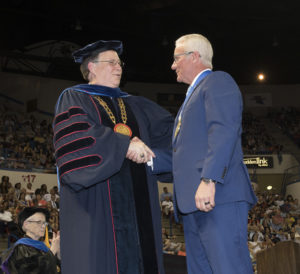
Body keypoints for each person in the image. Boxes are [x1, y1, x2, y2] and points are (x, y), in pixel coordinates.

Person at [53, 40, 173, 274]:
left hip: (141, 206)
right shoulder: (74, 98)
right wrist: (123, 145)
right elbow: (77, 141)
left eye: (120, 63)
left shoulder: (137, 104)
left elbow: (173, 135)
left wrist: (150, 155)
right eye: (111, 62)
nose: (118, 67)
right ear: (91, 67)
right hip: (96, 205)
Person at [170, 34, 257, 274]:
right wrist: (148, 158)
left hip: (218, 194)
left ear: (194, 56)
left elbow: (224, 131)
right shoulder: (189, 100)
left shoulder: (217, 81)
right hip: (194, 203)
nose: (173, 65)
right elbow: (182, 153)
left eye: (176, 58)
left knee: (229, 268)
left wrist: (209, 179)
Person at [1, 207, 60, 273]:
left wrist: (59, 254)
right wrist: (52, 251)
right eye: (39, 222)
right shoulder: (21, 249)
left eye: (44, 223)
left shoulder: (43, 246)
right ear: (26, 225)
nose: (43, 226)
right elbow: (33, 271)